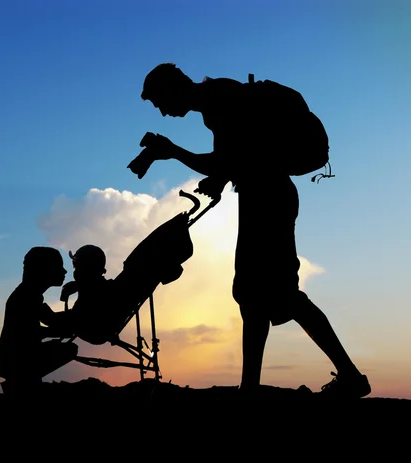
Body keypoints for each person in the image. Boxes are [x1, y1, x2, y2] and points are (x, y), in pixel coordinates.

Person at [128, 63, 370, 397]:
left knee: (278, 294)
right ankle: (251, 386)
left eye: (160, 103)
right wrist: (209, 171)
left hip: (268, 198)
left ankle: (349, 377)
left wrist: (173, 152)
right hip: (263, 196)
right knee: (253, 294)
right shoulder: (217, 100)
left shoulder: (218, 100)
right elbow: (239, 156)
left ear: (173, 89)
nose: (163, 112)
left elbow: (227, 161)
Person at [0, 246, 78, 398]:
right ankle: (26, 386)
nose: (64, 271)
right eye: (59, 267)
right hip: (19, 360)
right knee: (69, 350)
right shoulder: (26, 296)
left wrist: (64, 325)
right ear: (45, 270)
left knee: (67, 349)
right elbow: (33, 331)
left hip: (15, 360)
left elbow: (50, 319)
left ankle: (27, 384)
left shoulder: (28, 294)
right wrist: (60, 329)